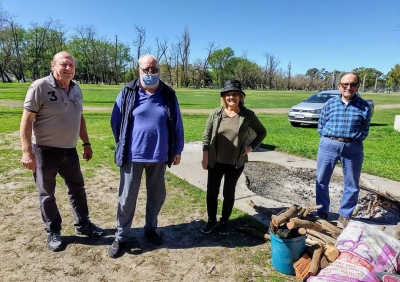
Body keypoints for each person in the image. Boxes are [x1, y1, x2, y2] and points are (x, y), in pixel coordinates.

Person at [19, 51, 105, 252]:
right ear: (53, 65)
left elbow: (79, 118)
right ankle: (53, 231)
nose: (68, 68)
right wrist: (26, 151)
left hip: (69, 150)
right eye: (63, 64)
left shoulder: (76, 88)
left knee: (77, 188)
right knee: (47, 193)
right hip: (44, 150)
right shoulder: (40, 87)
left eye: (71, 65)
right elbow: (26, 120)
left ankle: (83, 224)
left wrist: (86, 143)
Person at [109, 54, 184, 258]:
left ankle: (150, 229)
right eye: (146, 69)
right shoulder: (127, 92)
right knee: (126, 199)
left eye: (154, 69)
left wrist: (177, 149)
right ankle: (121, 236)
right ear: (138, 70)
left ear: (158, 70)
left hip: (159, 155)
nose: (150, 73)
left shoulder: (168, 94)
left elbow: (177, 123)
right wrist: (124, 143)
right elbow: (116, 122)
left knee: (156, 197)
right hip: (133, 156)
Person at [201, 80, 267, 235]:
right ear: (224, 97)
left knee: (228, 192)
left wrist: (251, 147)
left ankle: (224, 222)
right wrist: (205, 157)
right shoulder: (216, 114)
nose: (231, 97)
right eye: (228, 94)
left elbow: (262, 132)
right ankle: (211, 221)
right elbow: (206, 137)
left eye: (235, 94)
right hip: (215, 161)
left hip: (235, 163)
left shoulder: (248, 115)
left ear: (240, 97)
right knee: (212, 191)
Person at [315, 72, 372, 227]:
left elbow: (365, 129)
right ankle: (321, 210)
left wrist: (352, 140)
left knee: (352, 183)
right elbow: (321, 125)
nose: (349, 87)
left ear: (358, 86)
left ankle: (345, 214)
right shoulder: (330, 104)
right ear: (339, 86)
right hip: (328, 144)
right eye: (345, 84)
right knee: (321, 179)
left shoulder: (364, 106)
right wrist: (329, 139)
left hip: (353, 147)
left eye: (353, 84)